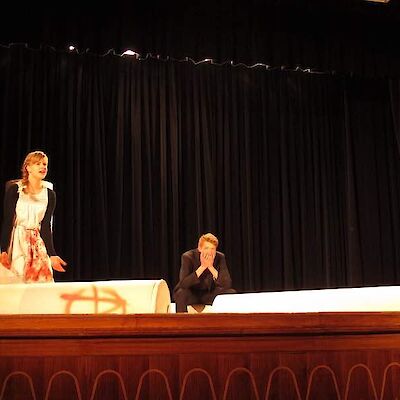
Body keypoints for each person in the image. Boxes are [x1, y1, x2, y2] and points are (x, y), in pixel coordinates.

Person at [0, 150, 67, 283]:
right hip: (18, 239)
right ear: (28, 168)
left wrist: (52, 254)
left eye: (45, 164)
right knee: (18, 277)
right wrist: (3, 251)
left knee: (42, 278)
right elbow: (7, 221)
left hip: (36, 242)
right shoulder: (15, 190)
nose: (43, 167)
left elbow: (46, 226)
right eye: (38, 164)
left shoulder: (49, 195)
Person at [173, 233, 236, 312]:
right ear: (199, 248)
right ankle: (182, 320)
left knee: (231, 292)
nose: (209, 252)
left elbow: (227, 284)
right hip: (192, 293)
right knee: (181, 293)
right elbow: (184, 284)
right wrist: (202, 267)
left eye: (213, 249)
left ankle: (225, 319)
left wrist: (211, 267)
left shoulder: (220, 257)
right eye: (206, 248)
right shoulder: (188, 257)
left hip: (209, 294)